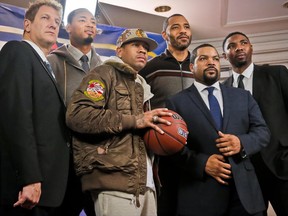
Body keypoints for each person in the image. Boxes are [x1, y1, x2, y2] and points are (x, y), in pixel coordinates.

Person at [65, 28, 172, 216]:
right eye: (135, 45)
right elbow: (78, 115)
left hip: (145, 184)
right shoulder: (103, 74)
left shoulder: (143, 86)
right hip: (113, 180)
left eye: (145, 47)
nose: (142, 50)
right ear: (119, 50)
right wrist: (135, 120)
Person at [164, 43, 270, 216]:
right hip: (201, 196)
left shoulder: (243, 96)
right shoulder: (176, 102)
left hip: (245, 196)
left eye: (215, 59)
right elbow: (171, 148)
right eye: (203, 59)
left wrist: (241, 142)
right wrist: (202, 163)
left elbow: (263, 132)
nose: (211, 62)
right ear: (192, 67)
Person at [0, 0, 70, 216]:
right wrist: (29, 177)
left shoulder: (43, 64)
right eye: (45, 18)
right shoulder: (17, 51)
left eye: (57, 21)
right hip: (25, 188)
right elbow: (16, 116)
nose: (53, 24)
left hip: (46, 188)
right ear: (27, 25)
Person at [222, 31, 288, 216]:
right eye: (232, 46)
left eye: (244, 43)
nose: (239, 47)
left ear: (251, 48)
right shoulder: (223, 89)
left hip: (281, 165)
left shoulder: (276, 74)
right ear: (224, 55)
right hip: (246, 172)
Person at [47, 8, 102, 216]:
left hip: (98, 161)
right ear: (67, 27)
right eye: (82, 20)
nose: (90, 24)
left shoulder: (105, 67)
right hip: (64, 160)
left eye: (93, 22)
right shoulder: (52, 62)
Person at [139, 13, 193, 109]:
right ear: (164, 35)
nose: (183, 31)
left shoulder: (199, 66)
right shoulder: (149, 67)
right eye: (176, 27)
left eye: (186, 27)